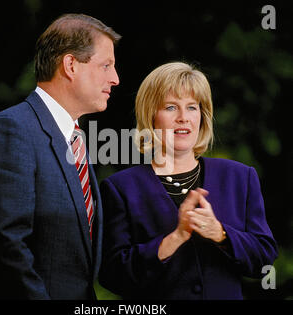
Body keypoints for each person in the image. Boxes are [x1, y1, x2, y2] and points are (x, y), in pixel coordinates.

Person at [98, 62, 278, 299]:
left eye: (192, 107)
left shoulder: (240, 177)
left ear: (202, 117)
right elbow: (112, 276)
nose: (184, 118)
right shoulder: (120, 187)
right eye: (171, 107)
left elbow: (264, 258)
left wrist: (220, 233)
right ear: (151, 115)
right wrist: (175, 238)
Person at [0, 13, 120, 299]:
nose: (115, 78)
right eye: (106, 66)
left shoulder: (75, 139)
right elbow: (7, 246)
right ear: (70, 65)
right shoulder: (13, 130)